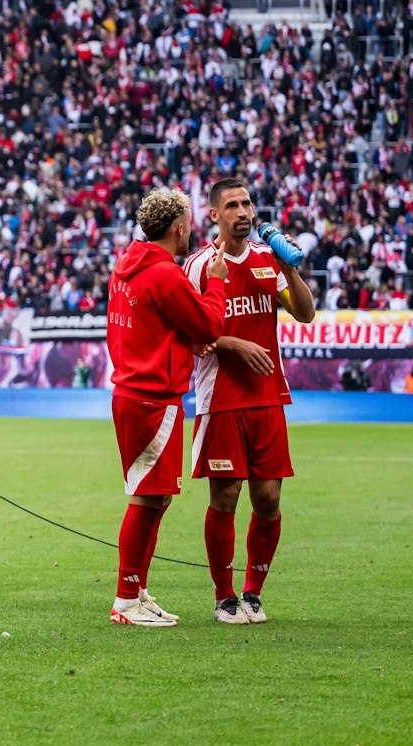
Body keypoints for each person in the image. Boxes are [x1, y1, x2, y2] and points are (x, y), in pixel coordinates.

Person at [185, 179, 316, 626]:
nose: (243, 211)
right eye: (232, 205)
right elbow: (190, 332)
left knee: (268, 499)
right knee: (225, 497)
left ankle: (253, 593)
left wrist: (290, 267)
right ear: (215, 215)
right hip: (220, 397)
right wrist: (234, 345)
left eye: (247, 204)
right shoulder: (201, 265)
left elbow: (304, 313)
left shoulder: (266, 260)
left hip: (267, 397)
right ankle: (224, 598)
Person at [103, 186, 226, 628]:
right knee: (146, 499)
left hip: (133, 391)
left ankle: (135, 590)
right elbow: (209, 323)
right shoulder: (165, 276)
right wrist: (214, 284)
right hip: (153, 397)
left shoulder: (126, 267)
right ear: (178, 228)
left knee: (155, 499)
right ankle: (125, 600)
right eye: (189, 221)